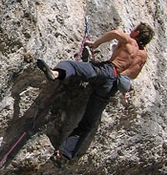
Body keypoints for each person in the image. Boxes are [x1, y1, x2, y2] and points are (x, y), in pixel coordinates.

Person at [37, 22, 154, 166]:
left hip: (105, 71)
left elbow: (116, 33)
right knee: (88, 123)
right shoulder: (143, 56)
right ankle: (63, 153)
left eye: (134, 29)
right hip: (111, 86)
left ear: (137, 33)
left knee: (74, 67)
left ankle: (55, 74)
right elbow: (132, 75)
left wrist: (95, 43)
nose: (132, 30)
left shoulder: (130, 41)